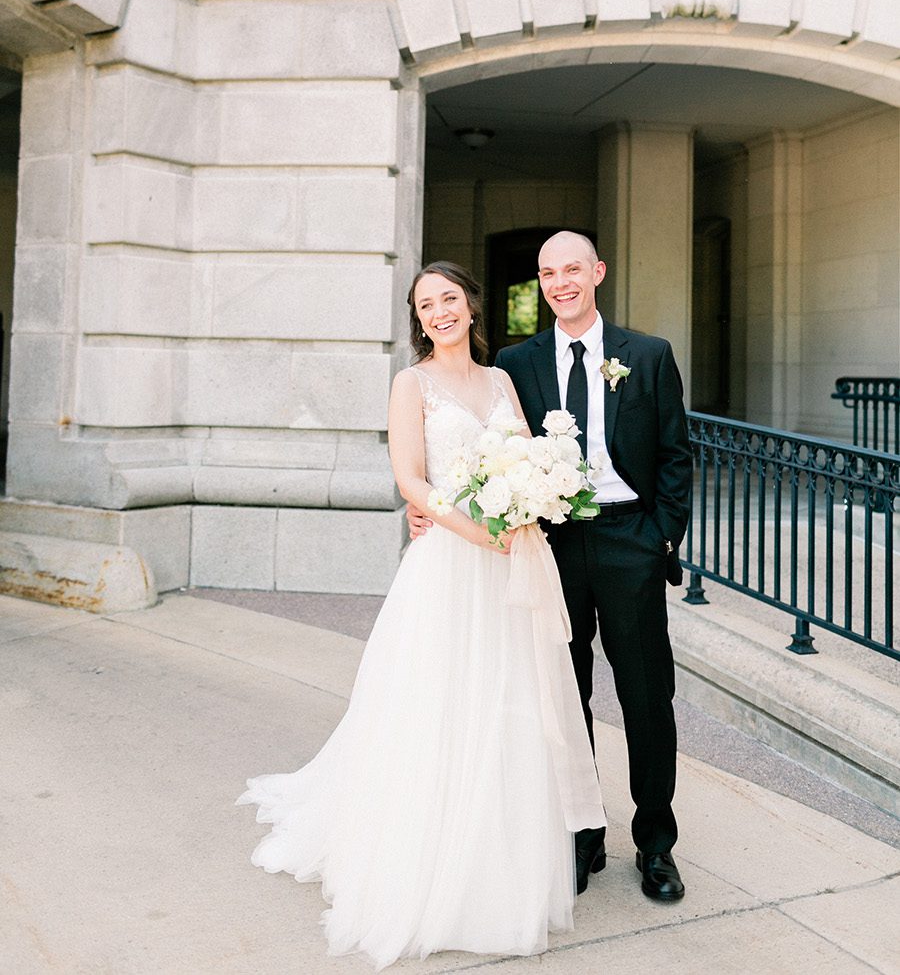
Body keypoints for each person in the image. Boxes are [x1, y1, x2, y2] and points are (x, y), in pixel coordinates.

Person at [238, 260, 605, 970]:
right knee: (434, 707)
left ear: (471, 304)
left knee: (505, 704)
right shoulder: (412, 385)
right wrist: (478, 531)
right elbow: (409, 478)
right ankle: (426, 860)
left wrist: (532, 497)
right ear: (420, 319)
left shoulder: (500, 381)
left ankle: (496, 856)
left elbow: (526, 453)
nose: (439, 312)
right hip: (450, 565)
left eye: (448, 299)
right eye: (425, 305)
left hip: (509, 563)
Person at [410, 232, 692, 902]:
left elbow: (677, 455)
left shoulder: (647, 356)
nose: (561, 282)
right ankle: (580, 835)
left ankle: (656, 844)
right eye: (547, 273)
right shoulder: (515, 363)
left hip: (630, 542)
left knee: (646, 699)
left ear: (596, 272)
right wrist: (431, 506)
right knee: (558, 697)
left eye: (572, 269)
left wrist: (661, 540)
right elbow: (482, 453)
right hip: (547, 543)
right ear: (539, 284)